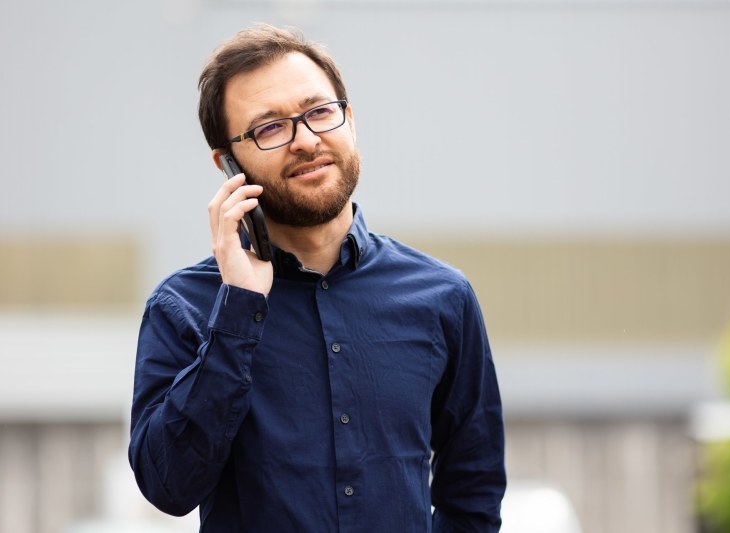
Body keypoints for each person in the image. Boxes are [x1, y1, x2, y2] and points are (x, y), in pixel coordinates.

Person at [129, 23, 506, 532]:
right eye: (269, 128)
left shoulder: (443, 297)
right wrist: (239, 309)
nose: (306, 141)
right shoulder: (185, 307)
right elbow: (168, 489)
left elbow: (474, 491)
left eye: (320, 112)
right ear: (227, 164)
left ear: (349, 120)